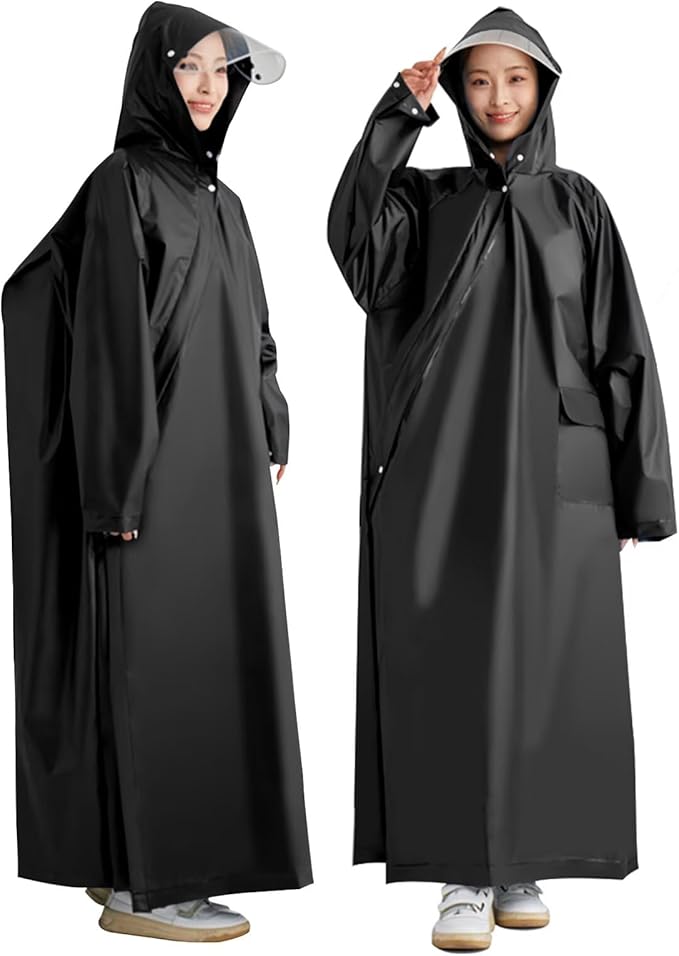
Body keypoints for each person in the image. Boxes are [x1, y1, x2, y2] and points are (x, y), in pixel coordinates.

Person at [327, 4, 675, 951]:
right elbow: (354, 248)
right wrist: (394, 117)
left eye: (514, 79)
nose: (497, 98)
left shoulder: (578, 204)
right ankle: (461, 876)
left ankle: (518, 861)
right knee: (455, 669)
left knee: (545, 668)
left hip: (560, 474)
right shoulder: (423, 199)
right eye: (477, 81)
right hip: (442, 473)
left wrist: (639, 488)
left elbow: (623, 347)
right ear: (457, 93)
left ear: (542, 88)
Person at [1, 0, 312, 942]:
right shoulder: (123, 185)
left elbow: (252, 326)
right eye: (189, 66)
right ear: (154, 75)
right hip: (153, 477)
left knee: (208, 666)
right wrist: (116, 484)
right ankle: (151, 887)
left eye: (223, 69)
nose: (209, 85)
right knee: (152, 670)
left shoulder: (225, 202)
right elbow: (107, 344)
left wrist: (270, 418)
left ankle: (133, 868)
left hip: (222, 471)